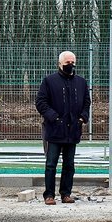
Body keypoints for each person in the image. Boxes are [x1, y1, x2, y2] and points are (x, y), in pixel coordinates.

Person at [35, 51, 91, 205]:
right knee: (51, 164)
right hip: (54, 130)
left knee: (69, 165)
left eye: (73, 62)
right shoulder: (49, 81)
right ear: (60, 63)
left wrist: (82, 117)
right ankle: (49, 195)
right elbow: (41, 102)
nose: (70, 65)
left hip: (73, 130)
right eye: (67, 62)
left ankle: (66, 193)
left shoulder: (81, 82)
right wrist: (54, 117)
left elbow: (87, 102)